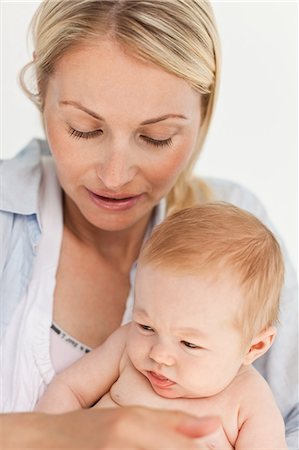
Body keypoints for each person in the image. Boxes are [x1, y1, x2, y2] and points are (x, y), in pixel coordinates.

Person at [0, 0, 297, 448]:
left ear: (203, 115)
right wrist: (48, 434)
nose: (115, 176)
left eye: (157, 137)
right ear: (43, 94)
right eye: (84, 128)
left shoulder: (240, 230)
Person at [36, 202, 288, 450]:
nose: (158, 354)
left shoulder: (249, 404)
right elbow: (70, 389)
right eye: (146, 326)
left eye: (189, 344)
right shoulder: (125, 347)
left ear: (254, 346)